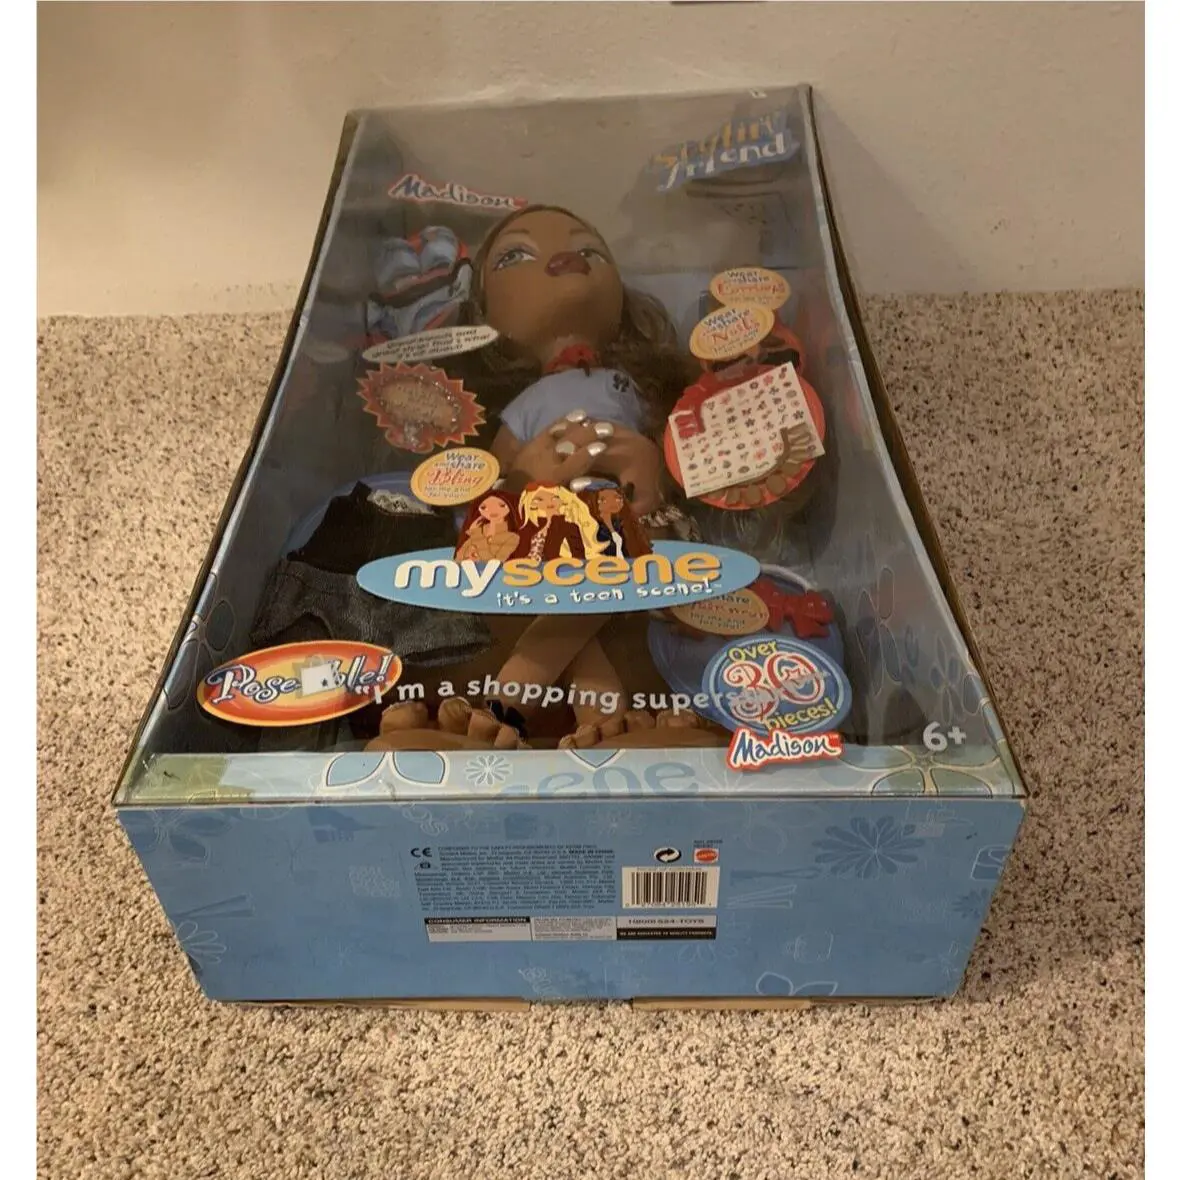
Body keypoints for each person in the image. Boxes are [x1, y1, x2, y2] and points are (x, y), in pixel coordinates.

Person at [455, 491, 520, 563]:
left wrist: (476, 535)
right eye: (483, 507)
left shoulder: (512, 537)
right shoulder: (478, 530)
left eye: (501, 505)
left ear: (510, 506)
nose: (493, 510)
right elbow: (458, 557)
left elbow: (495, 562)